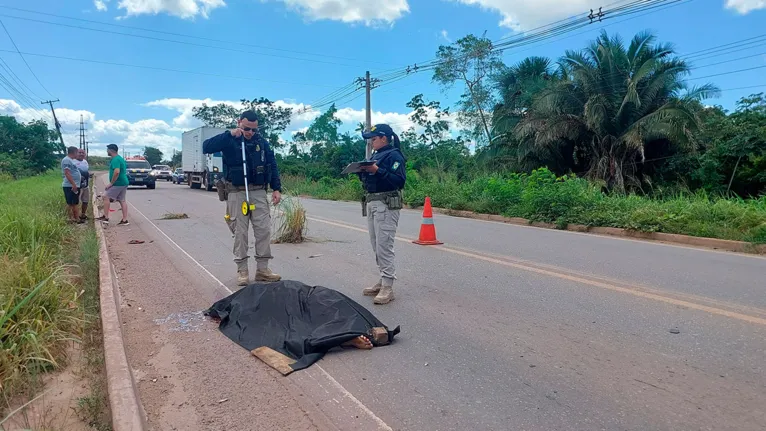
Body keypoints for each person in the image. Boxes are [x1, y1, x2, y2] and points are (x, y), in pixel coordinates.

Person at [203, 110, 283, 286]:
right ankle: (242, 271)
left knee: (263, 230)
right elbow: (206, 147)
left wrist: (277, 188)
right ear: (239, 122)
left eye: (254, 130)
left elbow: (272, 164)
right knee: (240, 232)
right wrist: (229, 134)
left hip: (259, 191)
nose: (250, 133)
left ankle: (262, 269)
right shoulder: (229, 139)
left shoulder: (261, 142)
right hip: (236, 191)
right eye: (247, 128)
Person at [358, 124, 406, 305]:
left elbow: (399, 181)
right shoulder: (374, 156)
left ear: (384, 138)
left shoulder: (394, 155)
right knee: (376, 245)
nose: (371, 142)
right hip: (372, 202)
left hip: (386, 204)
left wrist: (377, 170)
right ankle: (383, 279)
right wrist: (362, 171)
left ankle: (388, 286)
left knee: (384, 245)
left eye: (374, 138)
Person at [98, 144, 130, 225]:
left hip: (118, 183)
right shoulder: (119, 158)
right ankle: (124, 219)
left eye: (107, 150)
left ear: (111, 150)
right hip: (123, 182)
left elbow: (117, 171)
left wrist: (111, 183)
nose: (107, 151)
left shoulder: (115, 159)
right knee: (122, 200)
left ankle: (106, 217)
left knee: (105, 196)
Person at [61, 146, 83, 224]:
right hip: (70, 185)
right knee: (71, 203)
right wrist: (73, 184)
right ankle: (72, 218)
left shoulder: (71, 160)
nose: (78, 154)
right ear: (74, 152)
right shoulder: (66, 160)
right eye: (77, 152)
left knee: (74, 202)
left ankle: (75, 218)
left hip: (74, 185)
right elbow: (67, 173)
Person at [74, 149, 90, 221]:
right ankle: (75, 216)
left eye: (83, 153)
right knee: (76, 202)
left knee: (85, 200)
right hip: (77, 185)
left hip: (86, 185)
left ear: (85, 154)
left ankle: (83, 214)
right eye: (79, 152)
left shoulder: (85, 162)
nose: (81, 154)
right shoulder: (73, 162)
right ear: (76, 153)